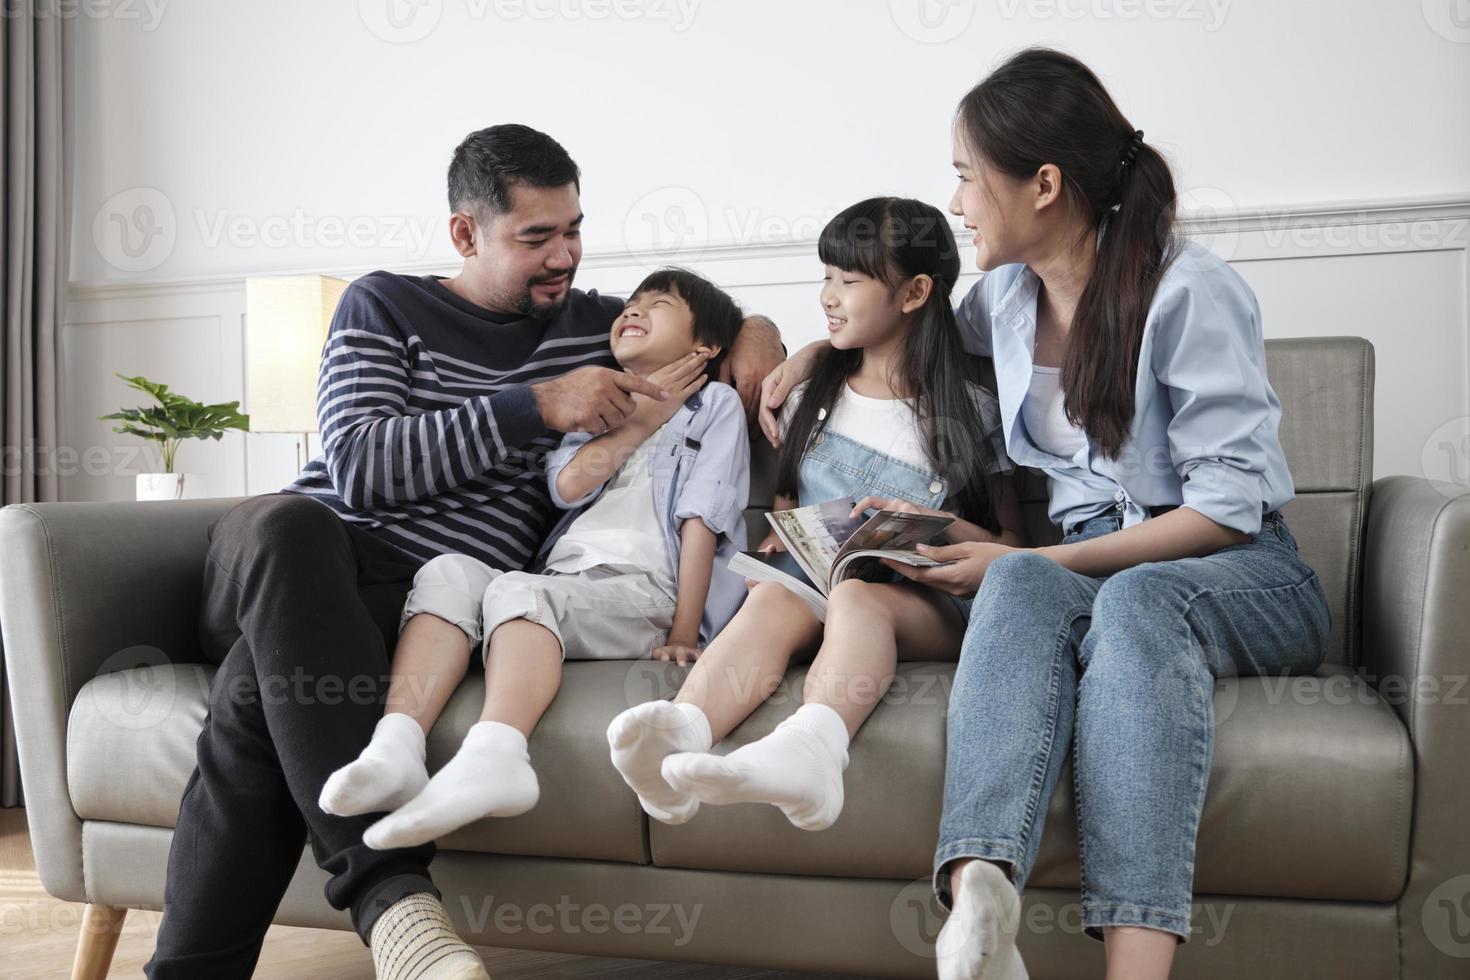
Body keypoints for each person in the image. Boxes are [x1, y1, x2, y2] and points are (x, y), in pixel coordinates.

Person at [144, 125, 784, 980]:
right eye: (536, 239)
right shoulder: (382, 305)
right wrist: (539, 406)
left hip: (417, 608)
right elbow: (363, 469)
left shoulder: (595, 325)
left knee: (259, 692)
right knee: (284, 527)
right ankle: (395, 907)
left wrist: (762, 336)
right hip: (296, 560)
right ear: (464, 234)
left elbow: (712, 323)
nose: (565, 257)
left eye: (574, 230)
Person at [760, 50, 1330, 980]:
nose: (955, 203)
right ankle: (980, 891)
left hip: (1246, 573)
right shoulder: (1002, 302)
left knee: (1123, 597)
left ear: (1045, 185)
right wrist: (777, 350)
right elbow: (893, 327)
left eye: (965, 175)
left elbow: (1226, 513)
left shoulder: (1190, 291)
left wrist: (1041, 562)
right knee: (1027, 573)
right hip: (1103, 571)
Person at [606, 197, 1022, 833]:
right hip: (818, 585)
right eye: (826, 276)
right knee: (773, 598)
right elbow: (787, 510)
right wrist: (774, 550)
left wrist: (928, 522)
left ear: (914, 293)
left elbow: (1005, 543)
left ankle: (814, 752)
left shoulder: (973, 408)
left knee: (858, 598)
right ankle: (682, 732)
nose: (828, 296)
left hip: (929, 604)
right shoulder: (809, 393)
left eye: (849, 282)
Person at [318, 268, 751, 851]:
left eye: (659, 303)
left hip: (648, 588)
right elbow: (569, 486)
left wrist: (684, 630)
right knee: (448, 571)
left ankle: (496, 755)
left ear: (703, 348)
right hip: (569, 582)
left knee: (520, 593)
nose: (632, 310)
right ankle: (396, 745)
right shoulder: (601, 403)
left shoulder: (715, 406)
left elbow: (703, 517)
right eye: (632, 302)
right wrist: (642, 416)